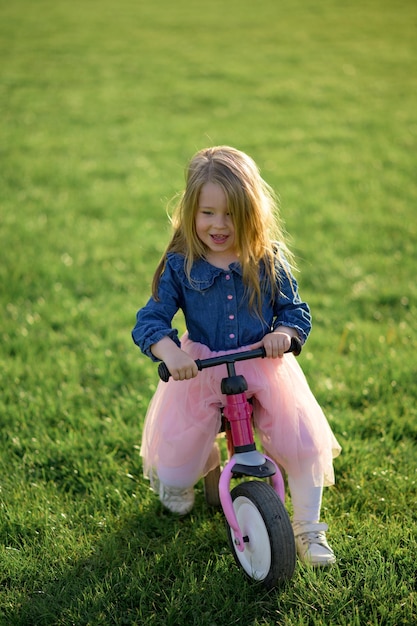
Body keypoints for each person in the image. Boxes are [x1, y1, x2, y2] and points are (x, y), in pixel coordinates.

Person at [132, 146, 341, 566]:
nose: (219, 225)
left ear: (251, 212)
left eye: (231, 214)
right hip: (200, 370)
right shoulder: (181, 264)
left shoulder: (266, 258)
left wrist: (284, 333)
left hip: (264, 365)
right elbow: (150, 319)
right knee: (175, 464)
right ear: (191, 211)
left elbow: (295, 311)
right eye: (208, 213)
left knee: (303, 446)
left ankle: (308, 529)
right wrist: (170, 351)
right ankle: (195, 470)